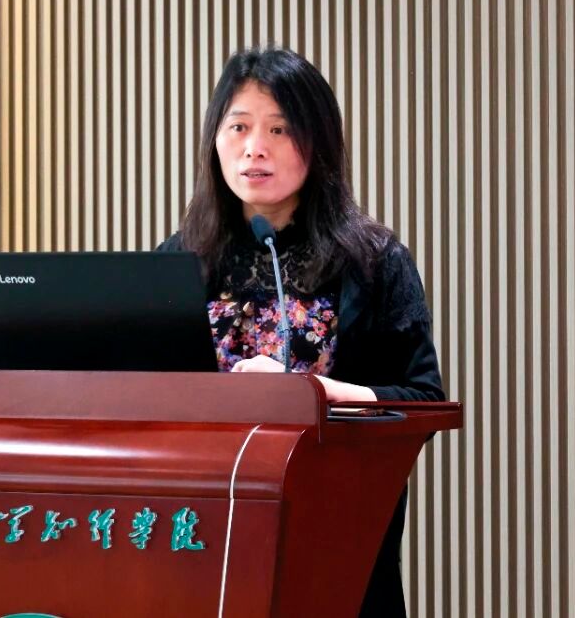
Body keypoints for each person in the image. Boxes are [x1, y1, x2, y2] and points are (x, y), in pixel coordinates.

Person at [157, 46, 444, 617]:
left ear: (319, 142)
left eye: (280, 129)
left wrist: (317, 393)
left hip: (333, 532)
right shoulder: (179, 259)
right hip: (205, 534)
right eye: (238, 126)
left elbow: (424, 401)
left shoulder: (373, 260)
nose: (254, 147)